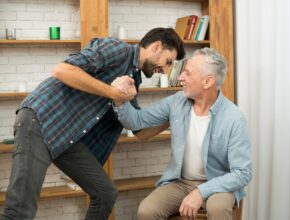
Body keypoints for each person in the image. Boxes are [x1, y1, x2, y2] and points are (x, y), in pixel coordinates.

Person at [0, 27, 185, 220]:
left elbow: (139, 130)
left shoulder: (133, 79)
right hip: (40, 120)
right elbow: (63, 70)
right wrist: (114, 93)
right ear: (156, 47)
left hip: (68, 136)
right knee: (19, 210)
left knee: (105, 194)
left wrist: (176, 115)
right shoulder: (117, 49)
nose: (165, 70)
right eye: (168, 62)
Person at [113, 47, 252, 220]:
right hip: (181, 183)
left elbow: (242, 173)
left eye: (187, 73)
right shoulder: (177, 102)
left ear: (207, 82)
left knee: (217, 208)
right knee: (146, 211)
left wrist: (201, 192)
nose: (180, 78)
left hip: (217, 184)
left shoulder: (233, 118)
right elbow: (136, 121)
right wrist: (119, 98)